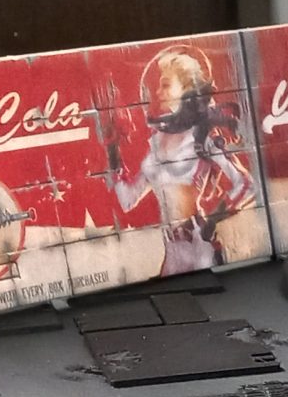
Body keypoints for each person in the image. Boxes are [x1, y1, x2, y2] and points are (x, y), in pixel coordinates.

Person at [101, 47, 257, 276]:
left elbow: (246, 184)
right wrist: (113, 150)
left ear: (186, 89)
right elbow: (128, 200)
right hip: (173, 248)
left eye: (165, 85)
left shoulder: (202, 136)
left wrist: (212, 222)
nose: (158, 92)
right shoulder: (156, 140)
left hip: (198, 245)